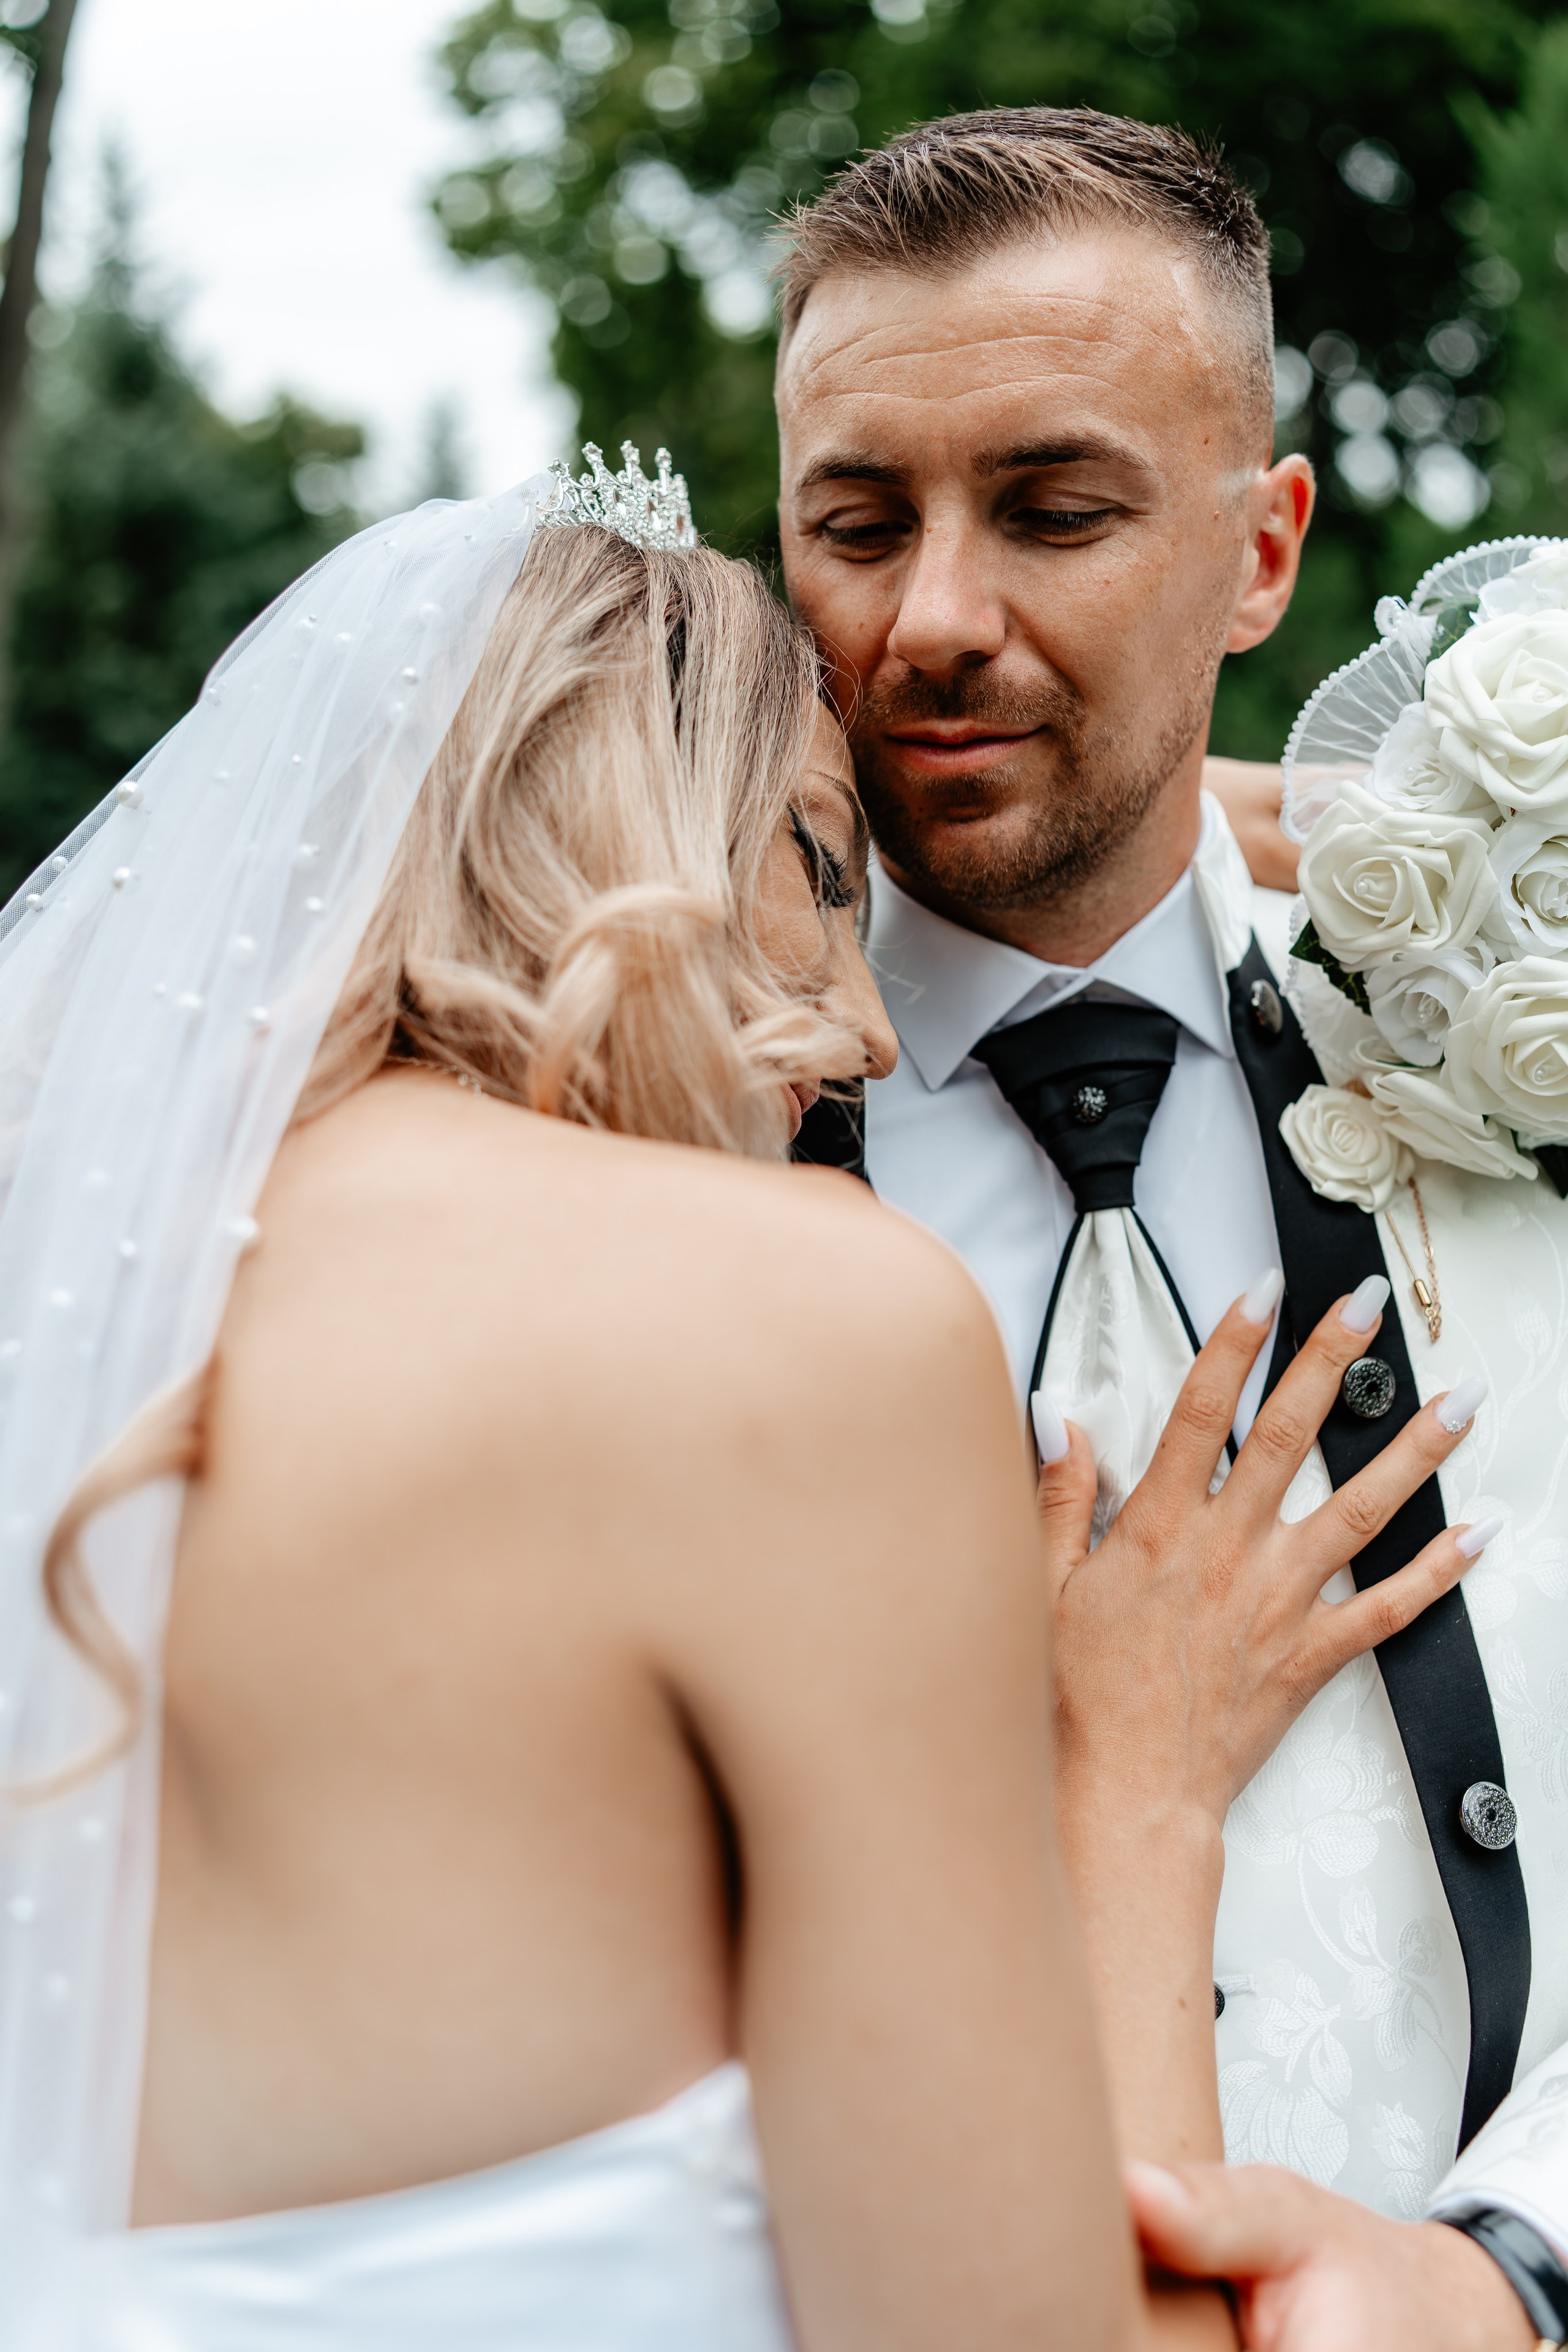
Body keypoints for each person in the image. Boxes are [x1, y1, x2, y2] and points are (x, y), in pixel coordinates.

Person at [0, 462, 1142, 2350]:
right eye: (824, 872)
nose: (864, 1030)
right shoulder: (802, 1332)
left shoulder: (74, 1312)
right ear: (647, 818)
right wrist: (1141, 1802)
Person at [778, 108, 1568, 2350]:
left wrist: (1502, 2278)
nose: (932, 620)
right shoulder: (647, 1155)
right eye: (854, 520)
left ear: (1261, 551)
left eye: (1055, 509)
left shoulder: (1516, 1054)